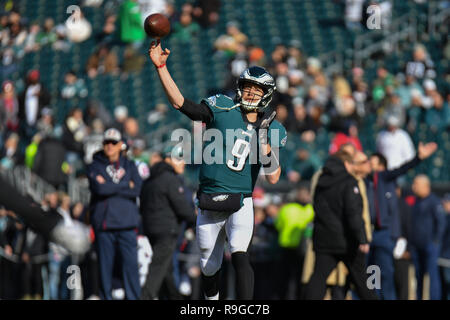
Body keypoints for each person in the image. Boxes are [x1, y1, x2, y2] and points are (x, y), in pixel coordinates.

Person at [148, 40, 287, 300]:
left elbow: (274, 175)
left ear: (266, 94)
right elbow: (182, 104)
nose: (251, 94)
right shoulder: (222, 107)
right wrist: (161, 68)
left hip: (241, 200)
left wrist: (265, 140)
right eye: (248, 88)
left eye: (257, 90)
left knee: (239, 253)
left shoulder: (271, 127)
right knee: (209, 267)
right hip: (210, 197)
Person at [303, 149, 377, 300]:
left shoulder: (321, 182)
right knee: (362, 282)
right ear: (346, 164)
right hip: (346, 240)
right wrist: (362, 238)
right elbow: (353, 214)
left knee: (318, 278)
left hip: (324, 238)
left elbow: (317, 208)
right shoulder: (349, 182)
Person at [367, 141, 437, 300]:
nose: (368, 166)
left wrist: (418, 158)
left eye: (372, 163)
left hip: (382, 234)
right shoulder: (364, 181)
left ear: (381, 167)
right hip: (368, 234)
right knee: (372, 273)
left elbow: (401, 169)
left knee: (385, 273)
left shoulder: (382, 178)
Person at [86, 128, 142, 300]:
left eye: (113, 143)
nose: (109, 146)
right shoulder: (94, 165)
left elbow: (137, 189)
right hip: (105, 225)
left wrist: (109, 186)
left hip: (127, 225)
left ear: (120, 145)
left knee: (131, 269)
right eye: (106, 142)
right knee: (105, 270)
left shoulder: (130, 165)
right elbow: (99, 188)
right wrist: (125, 185)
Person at [139, 144, 196, 300]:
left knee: (167, 271)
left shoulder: (150, 179)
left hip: (151, 230)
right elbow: (183, 208)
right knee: (157, 271)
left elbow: (142, 206)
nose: (182, 163)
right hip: (166, 232)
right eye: (179, 159)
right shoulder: (171, 180)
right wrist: (197, 223)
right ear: (168, 160)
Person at [410, 174, 446, 300]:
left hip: (430, 245)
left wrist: (435, 241)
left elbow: (441, 223)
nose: (413, 187)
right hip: (417, 245)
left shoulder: (434, 202)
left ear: (425, 186)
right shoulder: (416, 202)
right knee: (418, 275)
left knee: (432, 275)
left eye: (416, 184)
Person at [275, 186, 314, 299]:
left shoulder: (286, 208)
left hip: (285, 246)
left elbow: (278, 225)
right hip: (303, 250)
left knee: (285, 278)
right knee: (300, 277)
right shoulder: (311, 210)